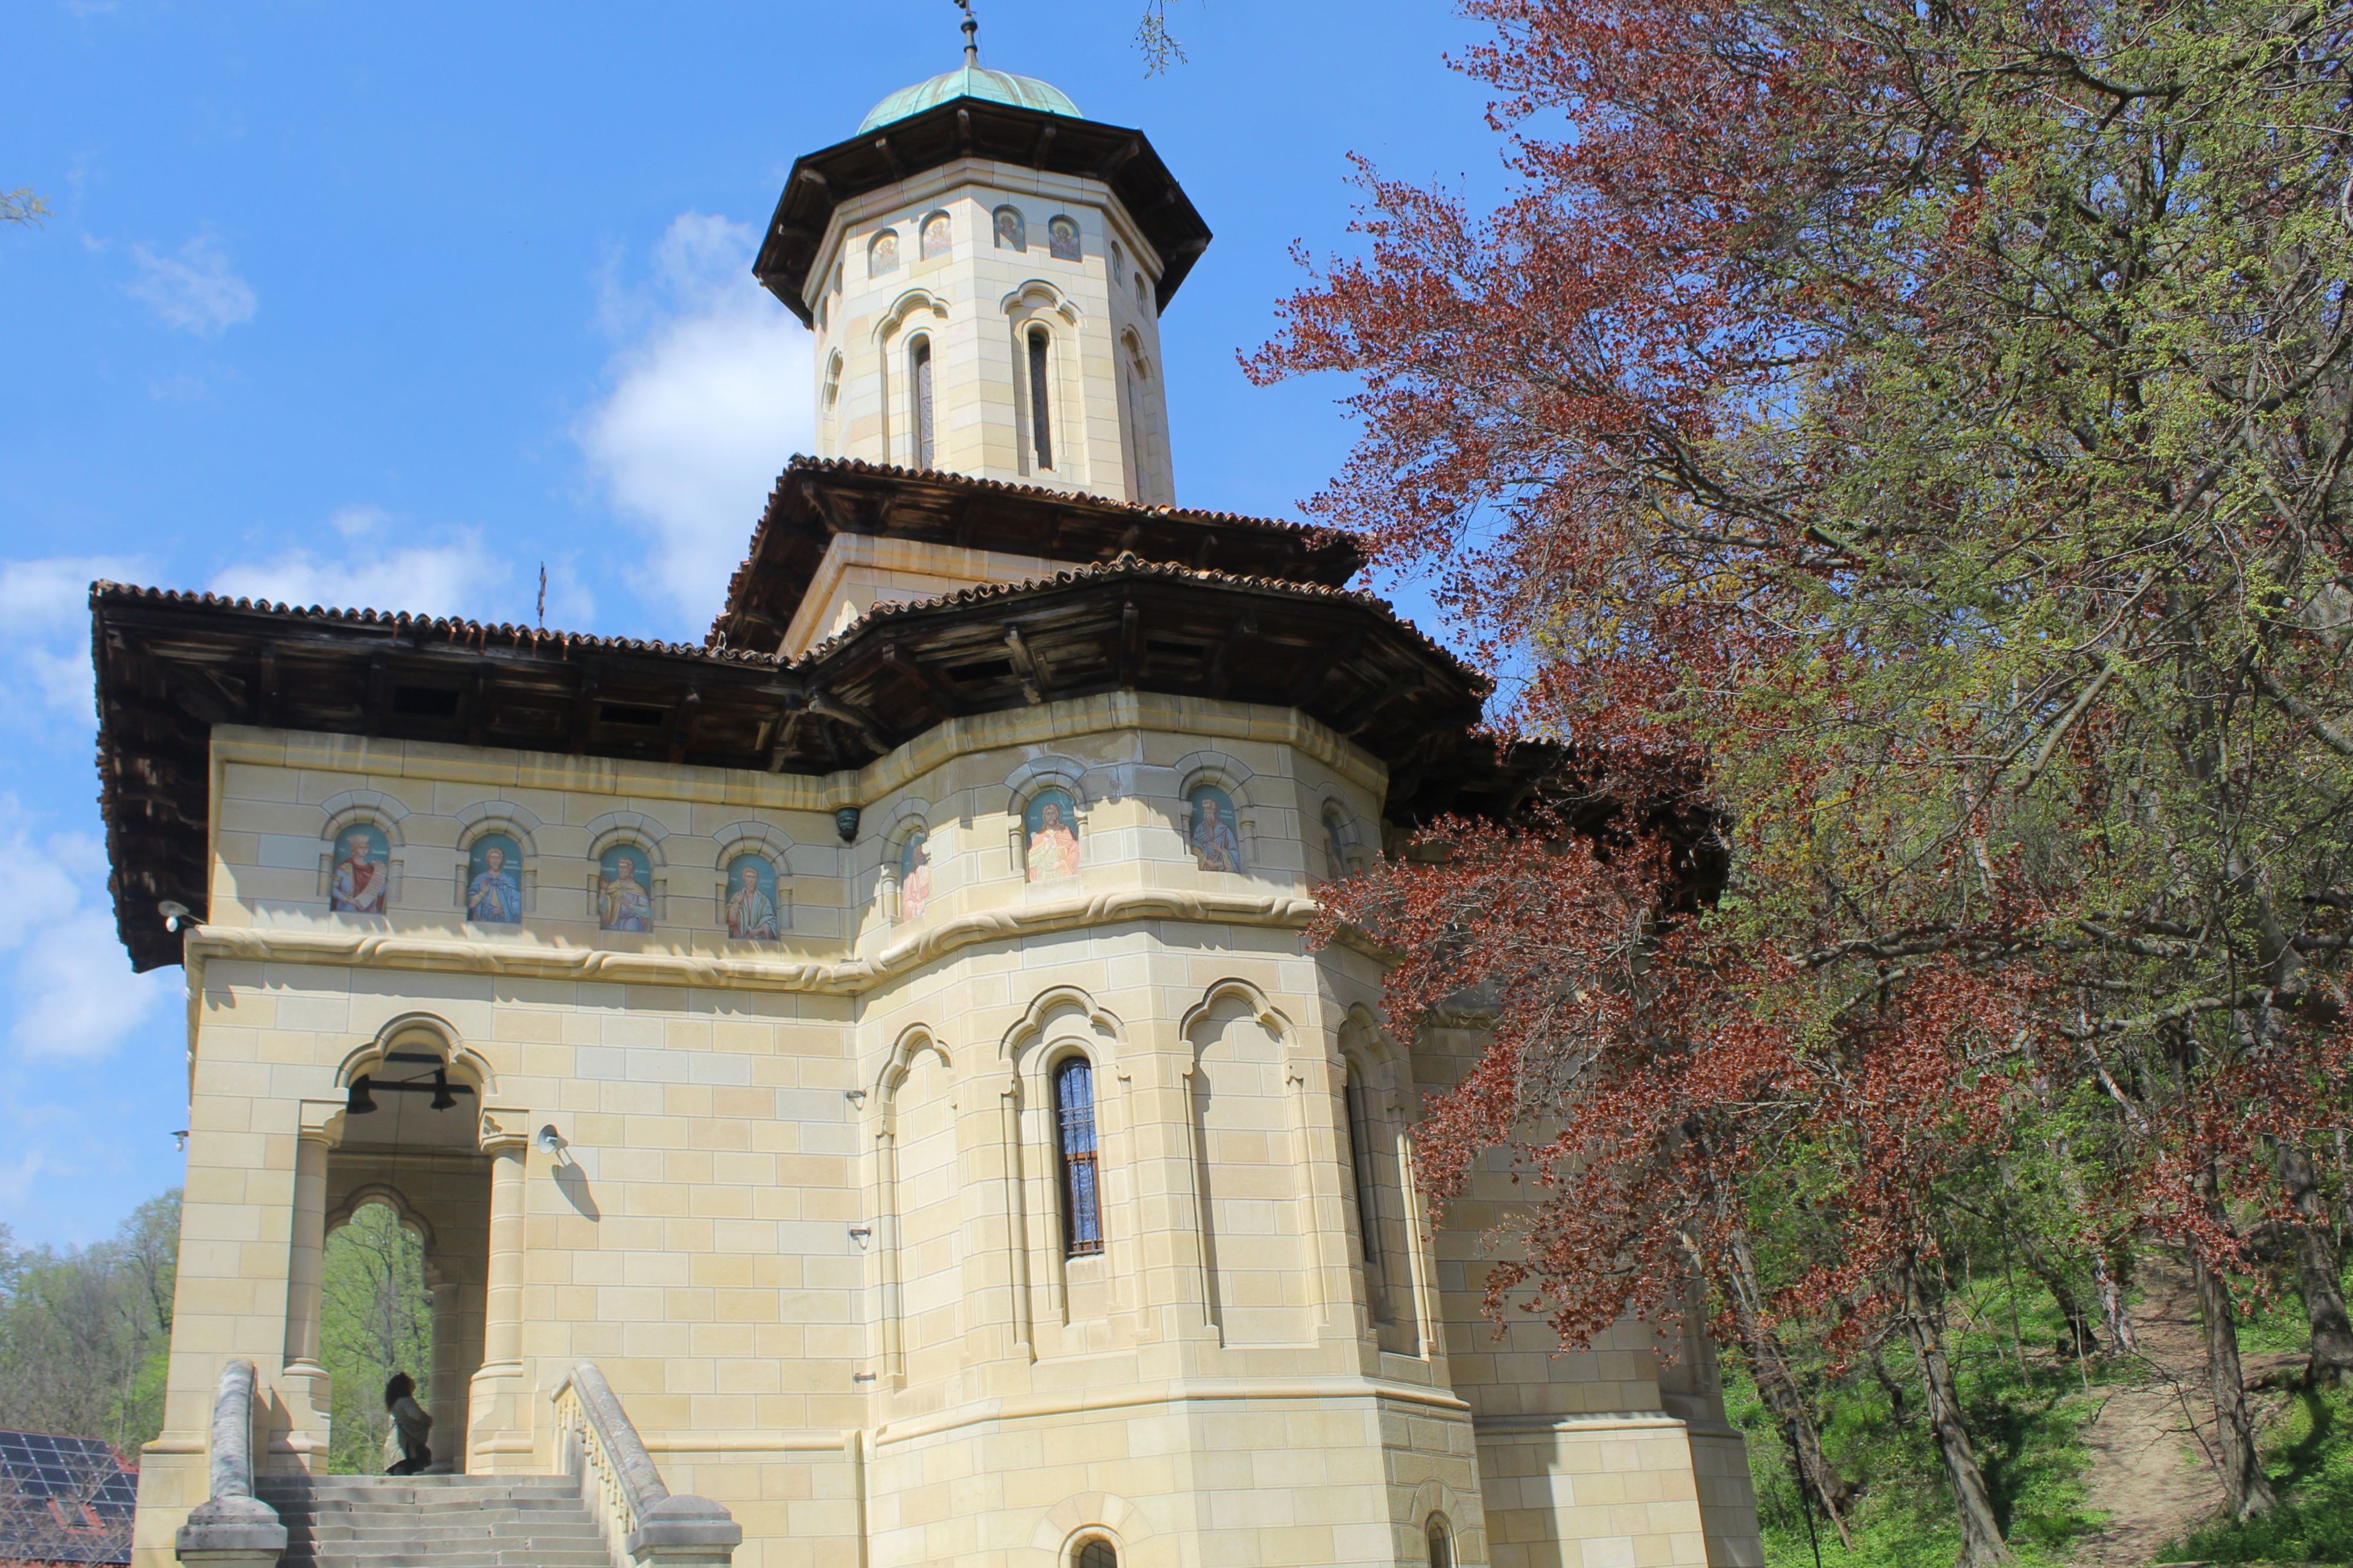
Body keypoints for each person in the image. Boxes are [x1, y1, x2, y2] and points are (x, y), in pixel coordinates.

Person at [382, 1373, 432, 1476]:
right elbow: (419, 1416)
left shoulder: (396, 1404)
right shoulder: (405, 1401)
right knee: (403, 1477)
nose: (414, 1383)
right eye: (411, 1381)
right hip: (404, 1450)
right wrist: (429, 1420)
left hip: (394, 1449)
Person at [330, 831, 388, 914]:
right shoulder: (344, 868)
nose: (364, 850)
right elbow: (332, 888)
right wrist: (350, 901)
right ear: (354, 850)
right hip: (348, 908)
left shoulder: (372, 870)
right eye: (361, 848)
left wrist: (381, 873)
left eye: (366, 848)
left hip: (370, 909)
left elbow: (381, 891)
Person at [1026, 800, 1080, 882]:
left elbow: (1076, 851)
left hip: (1064, 874)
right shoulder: (1038, 836)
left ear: (1057, 815)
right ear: (1044, 817)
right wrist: (1045, 850)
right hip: (1044, 876)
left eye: (1053, 813)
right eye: (1048, 814)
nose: (1051, 816)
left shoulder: (1066, 832)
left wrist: (1062, 863)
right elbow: (1030, 861)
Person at [467, 843, 520, 923]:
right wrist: (482, 893)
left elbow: (516, 905)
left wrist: (505, 911)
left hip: (506, 924)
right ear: (488, 860)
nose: (495, 861)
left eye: (498, 858)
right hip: (482, 923)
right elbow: (471, 904)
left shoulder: (509, 880)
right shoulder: (480, 879)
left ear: (502, 861)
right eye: (493, 858)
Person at [600, 854, 654, 932]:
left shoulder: (638, 889)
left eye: (624, 868)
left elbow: (646, 912)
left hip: (632, 921)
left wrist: (629, 905)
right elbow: (602, 908)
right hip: (614, 921)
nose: (621, 870)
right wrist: (603, 890)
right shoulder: (612, 887)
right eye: (620, 867)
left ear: (630, 870)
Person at [726, 861, 779, 940]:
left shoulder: (763, 899)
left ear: (756, 879)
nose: (751, 880)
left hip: (758, 937)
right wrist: (737, 903)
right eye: (748, 877)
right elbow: (730, 920)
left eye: (753, 877)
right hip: (739, 937)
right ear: (744, 878)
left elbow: (771, 919)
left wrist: (759, 930)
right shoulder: (737, 896)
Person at [1189, 795, 1242, 873]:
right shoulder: (1200, 829)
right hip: (1205, 866)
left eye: (1208, 809)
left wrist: (1221, 851)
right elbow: (1194, 845)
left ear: (1214, 810)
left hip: (1221, 867)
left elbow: (1235, 854)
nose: (1206, 812)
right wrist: (1204, 860)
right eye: (1204, 809)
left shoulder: (1225, 831)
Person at [899, 837, 932, 921]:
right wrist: (918, 906)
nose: (918, 861)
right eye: (916, 859)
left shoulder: (931, 871)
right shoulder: (910, 878)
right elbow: (907, 903)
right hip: (918, 911)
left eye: (920, 858)